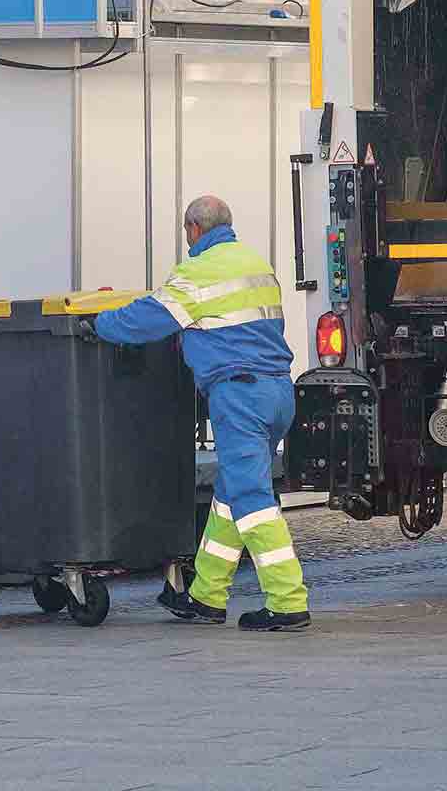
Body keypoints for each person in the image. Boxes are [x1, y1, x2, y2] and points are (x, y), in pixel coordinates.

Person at [88, 194, 307, 632]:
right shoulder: (256, 264)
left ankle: (287, 600)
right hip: (277, 392)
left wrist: (99, 324)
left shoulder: (196, 272)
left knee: (251, 501)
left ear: (193, 229)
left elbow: (147, 319)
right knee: (230, 496)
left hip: (238, 395)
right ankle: (206, 594)